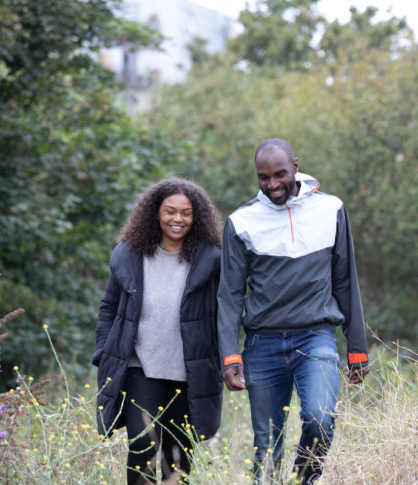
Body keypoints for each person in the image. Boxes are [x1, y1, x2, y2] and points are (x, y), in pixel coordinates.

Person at [218, 138, 370, 484]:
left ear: (296, 167)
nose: (272, 185)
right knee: (266, 444)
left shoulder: (331, 209)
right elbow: (228, 296)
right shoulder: (242, 222)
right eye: (263, 177)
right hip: (262, 346)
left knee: (320, 418)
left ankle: (304, 480)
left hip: (315, 338)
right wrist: (229, 355)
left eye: (280, 174)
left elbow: (346, 282)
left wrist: (357, 348)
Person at [92, 178, 223, 484]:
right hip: (141, 369)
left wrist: (224, 358)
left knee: (178, 456)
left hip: (188, 373)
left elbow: (225, 313)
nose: (178, 219)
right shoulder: (129, 255)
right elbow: (108, 308)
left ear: (197, 217)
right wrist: (103, 352)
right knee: (141, 445)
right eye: (170, 211)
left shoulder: (212, 260)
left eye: (186, 213)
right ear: (155, 213)